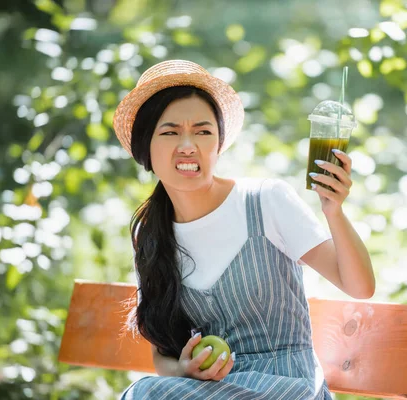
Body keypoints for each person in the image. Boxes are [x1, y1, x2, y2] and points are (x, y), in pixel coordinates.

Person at [113, 60, 375, 399]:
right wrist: (185, 369)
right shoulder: (153, 236)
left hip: (289, 387)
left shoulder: (265, 201)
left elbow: (360, 287)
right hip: (213, 391)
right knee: (145, 392)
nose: (188, 145)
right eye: (170, 131)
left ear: (218, 143)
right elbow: (162, 356)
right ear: (145, 146)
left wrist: (333, 211)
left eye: (203, 131)